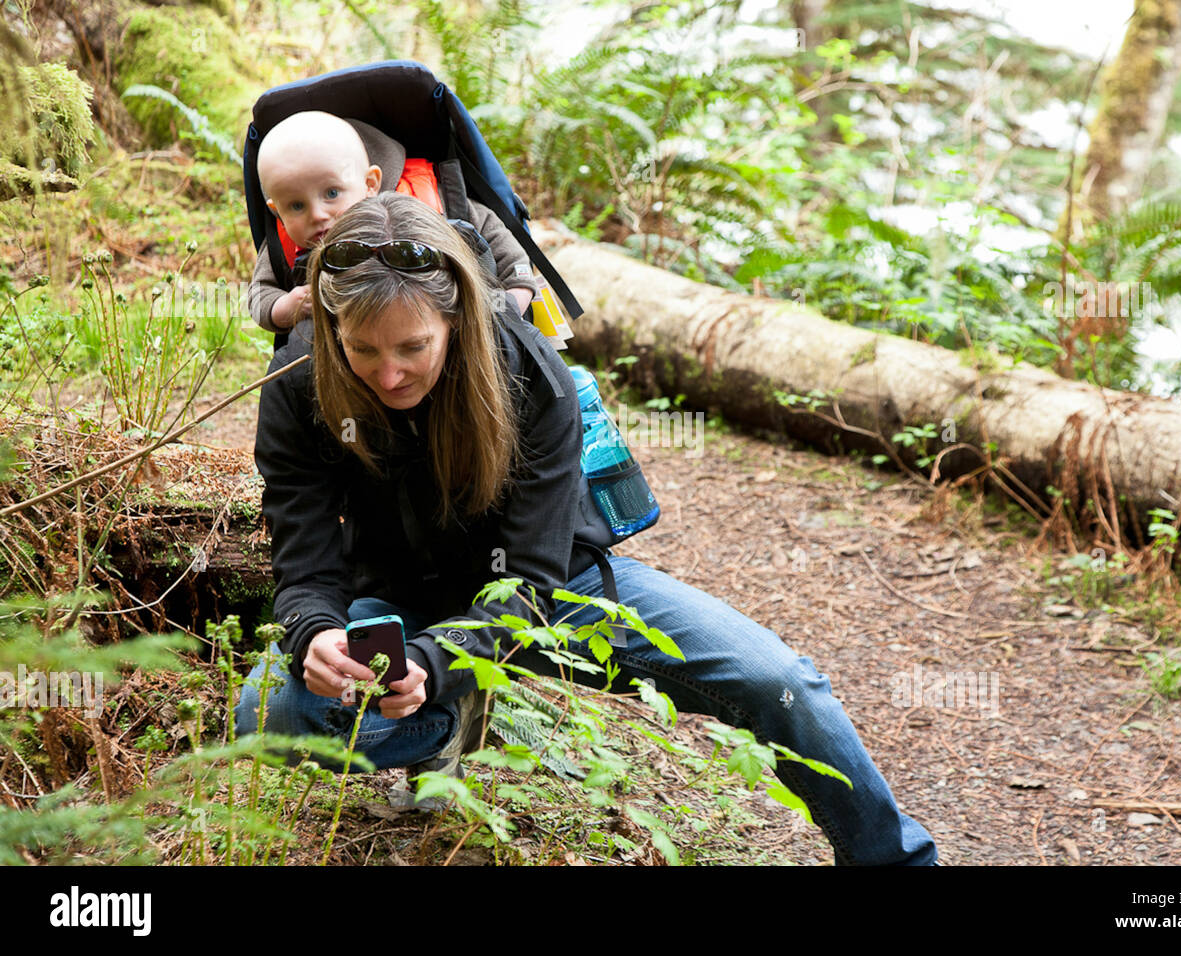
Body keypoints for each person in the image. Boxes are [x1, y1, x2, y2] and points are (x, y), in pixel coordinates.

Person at [236, 192, 938, 866]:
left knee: (775, 679)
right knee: (268, 715)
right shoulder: (299, 380)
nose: (389, 375)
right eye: (363, 351)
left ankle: (896, 859)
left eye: (414, 347)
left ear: (457, 319)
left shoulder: (530, 373)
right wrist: (315, 633)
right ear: (330, 331)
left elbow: (532, 581)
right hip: (393, 596)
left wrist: (436, 658)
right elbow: (304, 562)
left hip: (549, 589)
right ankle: (447, 720)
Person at [247, 109, 537, 334]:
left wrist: (502, 312)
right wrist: (285, 307)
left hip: (449, 339)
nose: (318, 214)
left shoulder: (426, 206)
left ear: (370, 183)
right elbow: (259, 294)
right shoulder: (285, 241)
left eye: (332, 193)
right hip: (339, 358)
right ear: (277, 210)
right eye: (296, 206)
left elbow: (512, 261)